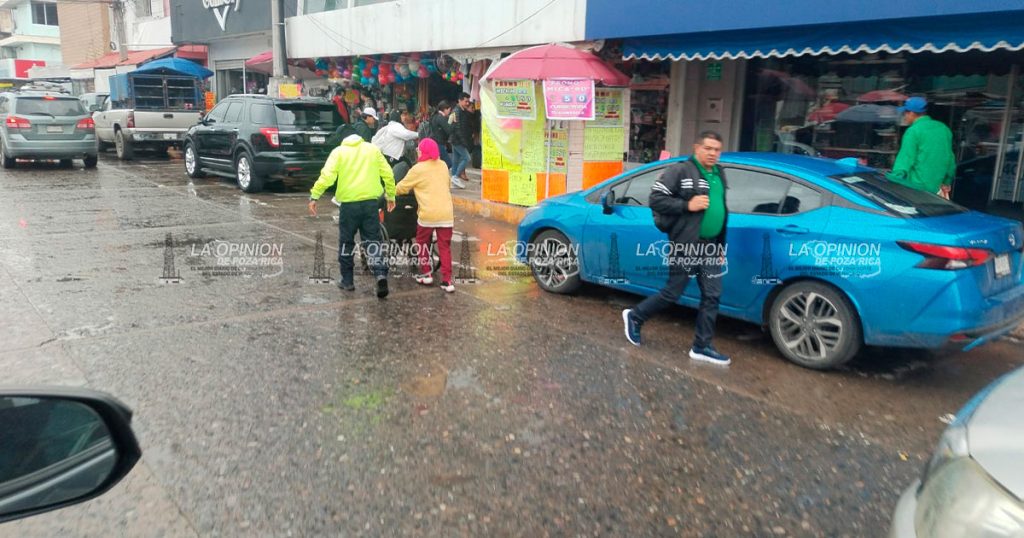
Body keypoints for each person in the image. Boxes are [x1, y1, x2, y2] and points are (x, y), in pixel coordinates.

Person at [622, 131, 731, 366]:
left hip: (710, 245)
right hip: (686, 243)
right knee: (673, 292)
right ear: (696, 148)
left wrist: (720, 245)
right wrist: (687, 205)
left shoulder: (718, 173)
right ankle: (635, 316)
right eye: (708, 148)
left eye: (716, 149)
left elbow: (723, 209)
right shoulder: (680, 171)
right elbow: (656, 199)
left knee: (712, 295)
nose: (712, 153)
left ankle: (702, 346)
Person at [308, 133, 396, 298]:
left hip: (348, 206)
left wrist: (315, 196)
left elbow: (327, 176)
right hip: (371, 203)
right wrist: (390, 196)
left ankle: (347, 281)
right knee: (373, 240)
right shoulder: (372, 150)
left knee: (347, 242)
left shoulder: (339, 152)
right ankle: (380, 274)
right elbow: (388, 174)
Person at [395, 138, 456, 293]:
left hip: (428, 214)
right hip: (446, 213)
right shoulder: (443, 165)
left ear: (423, 152)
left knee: (422, 241)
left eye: (419, 149)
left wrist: (389, 192)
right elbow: (447, 185)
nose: (418, 151)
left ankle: (427, 274)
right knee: (444, 246)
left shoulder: (418, 168)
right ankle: (448, 281)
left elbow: (402, 187)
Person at [887, 96, 956, 197]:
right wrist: (947, 181)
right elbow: (950, 159)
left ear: (911, 113)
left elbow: (905, 159)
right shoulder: (943, 128)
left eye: (904, 113)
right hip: (936, 189)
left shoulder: (913, 131)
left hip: (915, 188)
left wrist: (894, 179)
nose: (904, 116)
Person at [448, 92, 474, 189]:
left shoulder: (462, 111)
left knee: (455, 160)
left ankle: (453, 181)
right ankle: (455, 176)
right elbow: (457, 128)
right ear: (460, 100)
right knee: (467, 158)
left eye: (468, 101)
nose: (467, 103)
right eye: (466, 101)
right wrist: (464, 141)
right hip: (457, 140)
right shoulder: (456, 111)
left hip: (457, 140)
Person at [429, 101, 454, 170]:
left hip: (434, 141)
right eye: (449, 110)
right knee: (448, 163)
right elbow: (449, 130)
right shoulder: (441, 118)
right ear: (445, 109)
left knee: (437, 161)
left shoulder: (435, 116)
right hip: (439, 142)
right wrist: (452, 121)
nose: (449, 112)